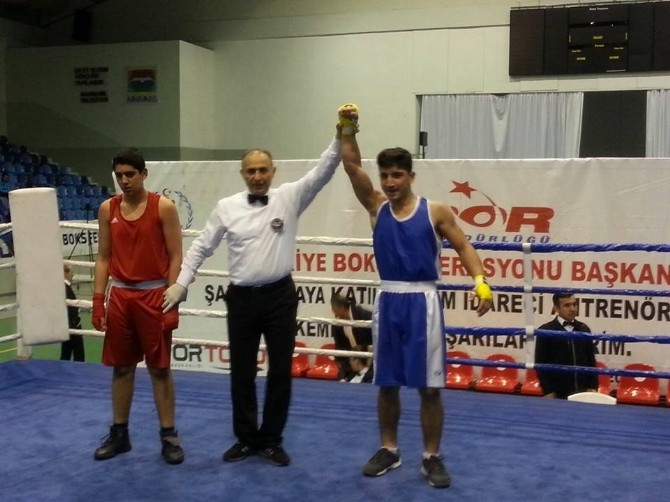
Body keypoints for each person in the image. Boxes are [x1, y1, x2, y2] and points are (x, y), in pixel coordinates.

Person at [161, 106, 346, 467]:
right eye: (251, 171)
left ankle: (272, 439)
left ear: (273, 172)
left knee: (280, 370)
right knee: (242, 370)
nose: (258, 176)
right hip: (242, 299)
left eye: (263, 170)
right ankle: (246, 438)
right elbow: (201, 247)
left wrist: (341, 134)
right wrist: (181, 284)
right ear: (242, 174)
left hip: (279, 297)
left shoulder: (290, 196)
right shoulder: (226, 207)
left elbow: (324, 170)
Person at [339, 104, 493, 489]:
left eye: (397, 174)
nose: (390, 182)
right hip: (389, 300)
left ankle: (431, 456)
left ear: (411, 175)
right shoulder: (376, 207)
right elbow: (352, 167)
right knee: (387, 382)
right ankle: (389, 449)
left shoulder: (434, 210)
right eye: (385, 175)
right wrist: (347, 128)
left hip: (424, 303)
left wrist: (480, 281)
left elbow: (463, 245)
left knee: (430, 386)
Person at [91, 147, 185, 465]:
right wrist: (98, 300)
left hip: (154, 295)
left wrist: (172, 302)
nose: (124, 180)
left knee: (160, 368)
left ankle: (169, 435)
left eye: (130, 174)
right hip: (121, 297)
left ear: (144, 174)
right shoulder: (108, 208)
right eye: (119, 175)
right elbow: (103, 257)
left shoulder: (163, 207)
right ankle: (119, 434)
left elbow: (176, 256)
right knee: (122, 367)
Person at [535, 293, 598, 399]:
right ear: (556, 308)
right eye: (567, 305)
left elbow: (591, 360)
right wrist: (548, 390)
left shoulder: (584, 329)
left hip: (583, 391)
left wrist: (593, 386)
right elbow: (540, 363)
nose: (572, 309)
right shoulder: (546, 331)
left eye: (574, 304)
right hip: (558, 392)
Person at [330, 292, 372, 381]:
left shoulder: (363, 315)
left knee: (367, 380)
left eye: (334, 310)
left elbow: (375, 339)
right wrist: (343, 373)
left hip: (369, 360)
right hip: (351, 363)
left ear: (341, 308)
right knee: (342, 381)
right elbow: (340, 348)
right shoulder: (337, 324)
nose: (334, 313)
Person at [60, 264, 85, 362]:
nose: (73, 275)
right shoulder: (65, 289)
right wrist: (75, 324)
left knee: (66, 353)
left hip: (67, 326)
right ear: (65, 273)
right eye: (71, 272)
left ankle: (62, 369)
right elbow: (69, 309)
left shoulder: (64, 287)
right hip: (72, 327)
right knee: (79, 355)